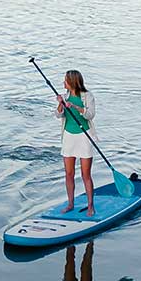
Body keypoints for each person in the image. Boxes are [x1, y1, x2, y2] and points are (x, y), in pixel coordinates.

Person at [57, 67, 98, 214]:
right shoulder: (64, 96)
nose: (64, 83)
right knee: (68, 173)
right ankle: (70, 204)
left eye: (66, 81)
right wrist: (61, 104)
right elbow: (58, 115)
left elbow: (90, 115)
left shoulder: (87, 96)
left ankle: (90, 205)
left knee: (85, 174)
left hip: (83, 136)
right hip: (68, 137)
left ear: (73, 82)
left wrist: (75, 106)